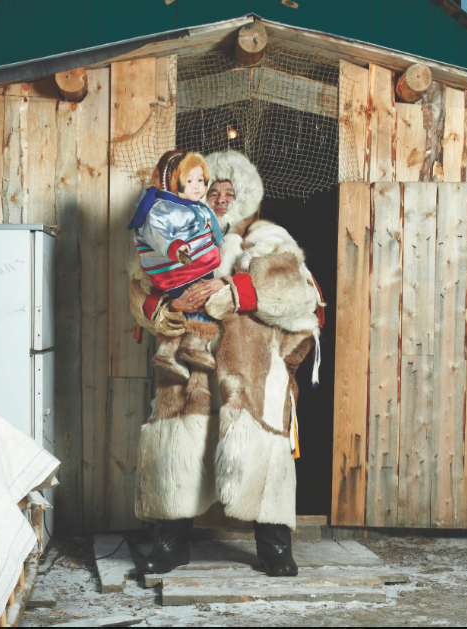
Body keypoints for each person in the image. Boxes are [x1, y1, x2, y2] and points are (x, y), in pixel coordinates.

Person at [128, 151, 324, 577]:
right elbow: (140, 287)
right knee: (181, 444)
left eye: (228, 193)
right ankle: (171, 543)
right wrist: (164, 305)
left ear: (247, 198)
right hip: (187, 364)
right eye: (211, 191)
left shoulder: (270, 237)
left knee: (261, 445)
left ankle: (274, 546)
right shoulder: (171, 235)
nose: (219, 200)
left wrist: (236, 292)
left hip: (250, 366)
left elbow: (296, 289)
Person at [127, 150, 225, 381]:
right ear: (173, 183)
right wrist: (175, 247)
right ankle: (171, 352)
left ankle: (195, 347)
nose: (197, 187)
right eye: (189, 181)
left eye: (201, 181)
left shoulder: (196, 208)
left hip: (200, 267)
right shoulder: (162, 208)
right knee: (187, 304)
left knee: (202, 303)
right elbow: (156, 233)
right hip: (178, 271)